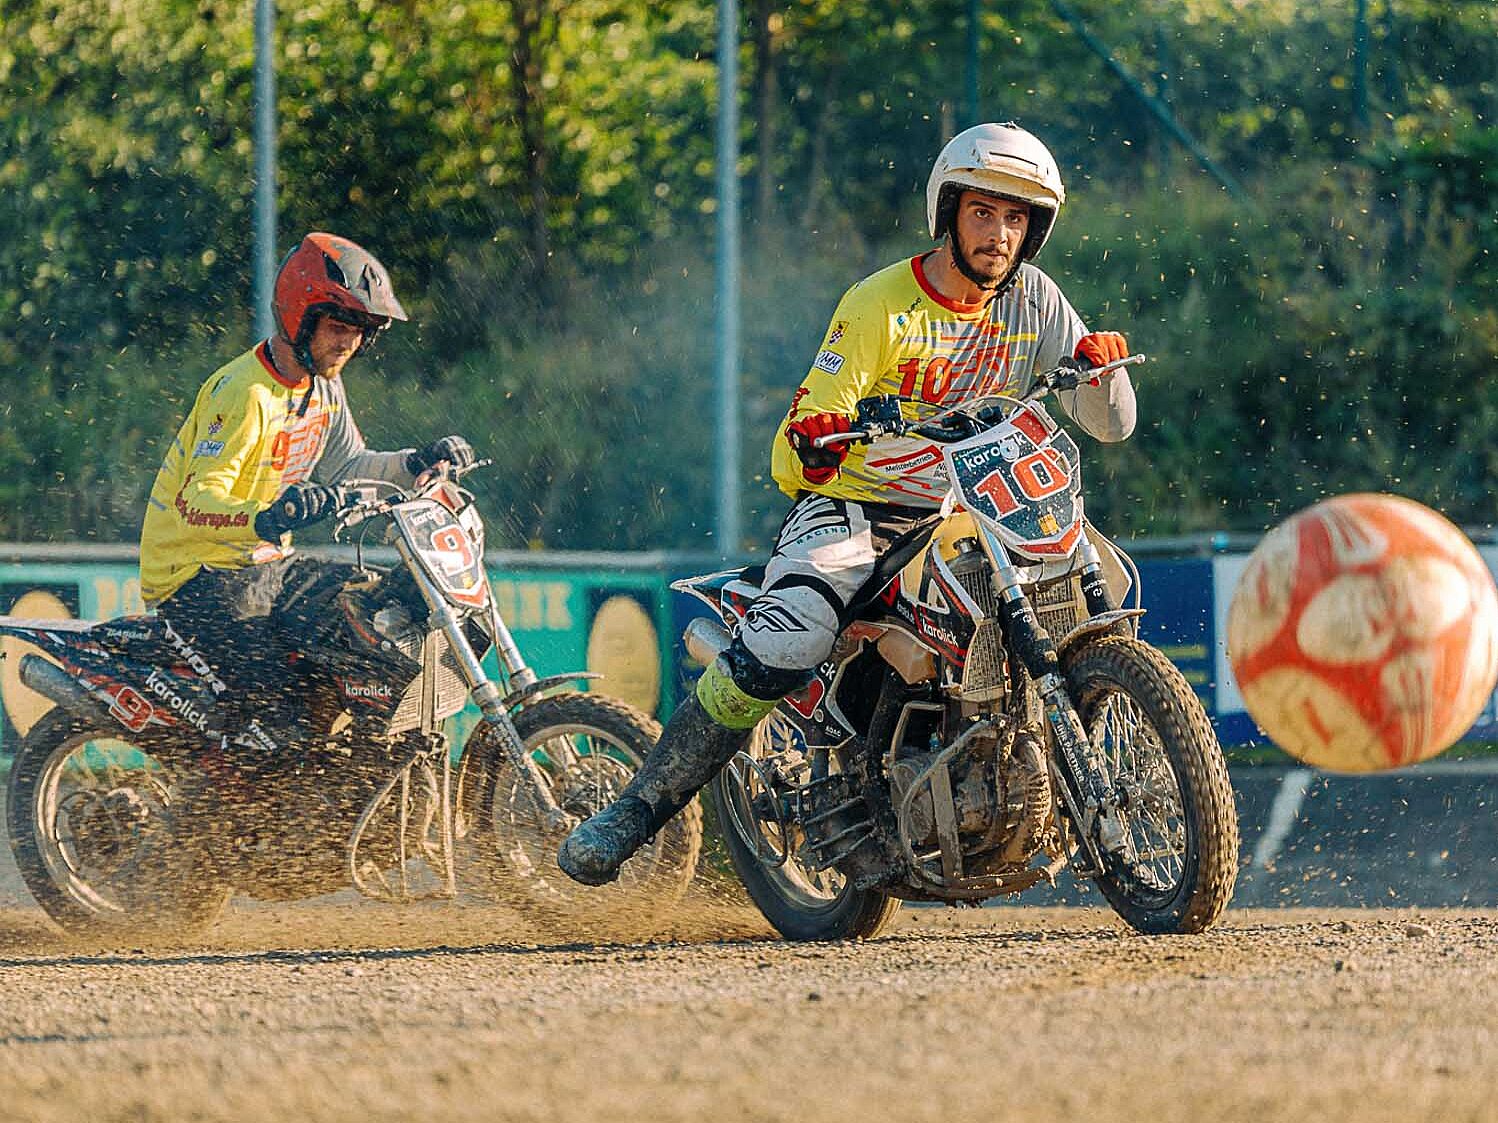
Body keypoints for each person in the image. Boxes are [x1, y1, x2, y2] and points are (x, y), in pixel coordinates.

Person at [559, 122, 1139, 886]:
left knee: (1111, 579)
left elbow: (1112, 425)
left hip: (988, 499)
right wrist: (819, 438)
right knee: (788, 639)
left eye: (1017, 218)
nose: (1000, 234)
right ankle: (636, 807)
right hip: (865, 502)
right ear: (948, 209)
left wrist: (1101, 371)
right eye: (984, 213)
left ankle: (1071, 779)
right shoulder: (879, 303)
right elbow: (799, 436)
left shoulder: (1036, 298)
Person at [138, 232, 475, 750]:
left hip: (268, 567)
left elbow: (351, 465)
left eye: (359, 332)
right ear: (300, 316)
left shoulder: (324, 387)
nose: (349, 344)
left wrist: (417, 463)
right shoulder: (246, 394)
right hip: (197, 578)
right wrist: (272, 513)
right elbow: (195, 503)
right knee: (281, 725)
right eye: (339, 327)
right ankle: (234, 817)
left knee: (374, 621)